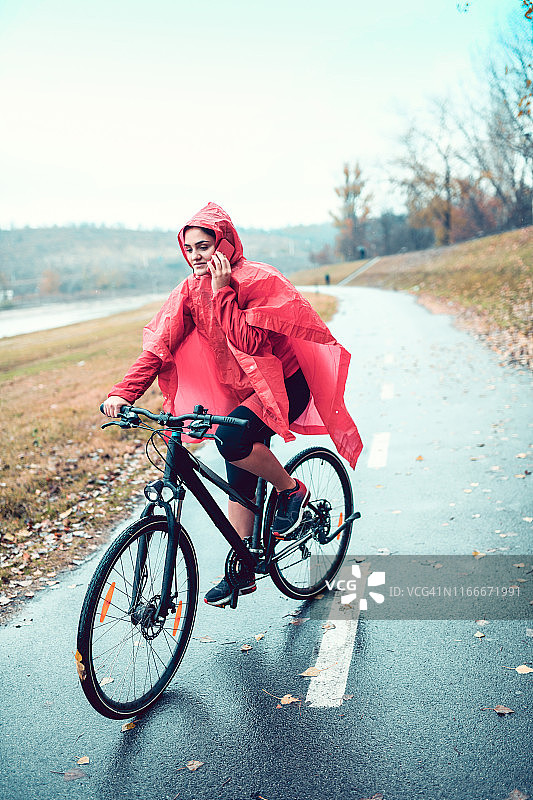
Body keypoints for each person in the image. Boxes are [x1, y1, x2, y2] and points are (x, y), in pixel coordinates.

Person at [103, 202, 363, 607]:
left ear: (223, 243)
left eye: (204, 246)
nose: (196, 256)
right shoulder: (189, 291)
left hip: (283, 385)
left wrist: (223, 292)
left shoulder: (257, 280)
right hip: (244, 392)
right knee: (238, 480)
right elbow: (158, 347)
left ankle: (291, 491)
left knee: (230, 440)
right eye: (189, 249)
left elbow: (251, 344)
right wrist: (124, 392)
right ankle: (243, 568)